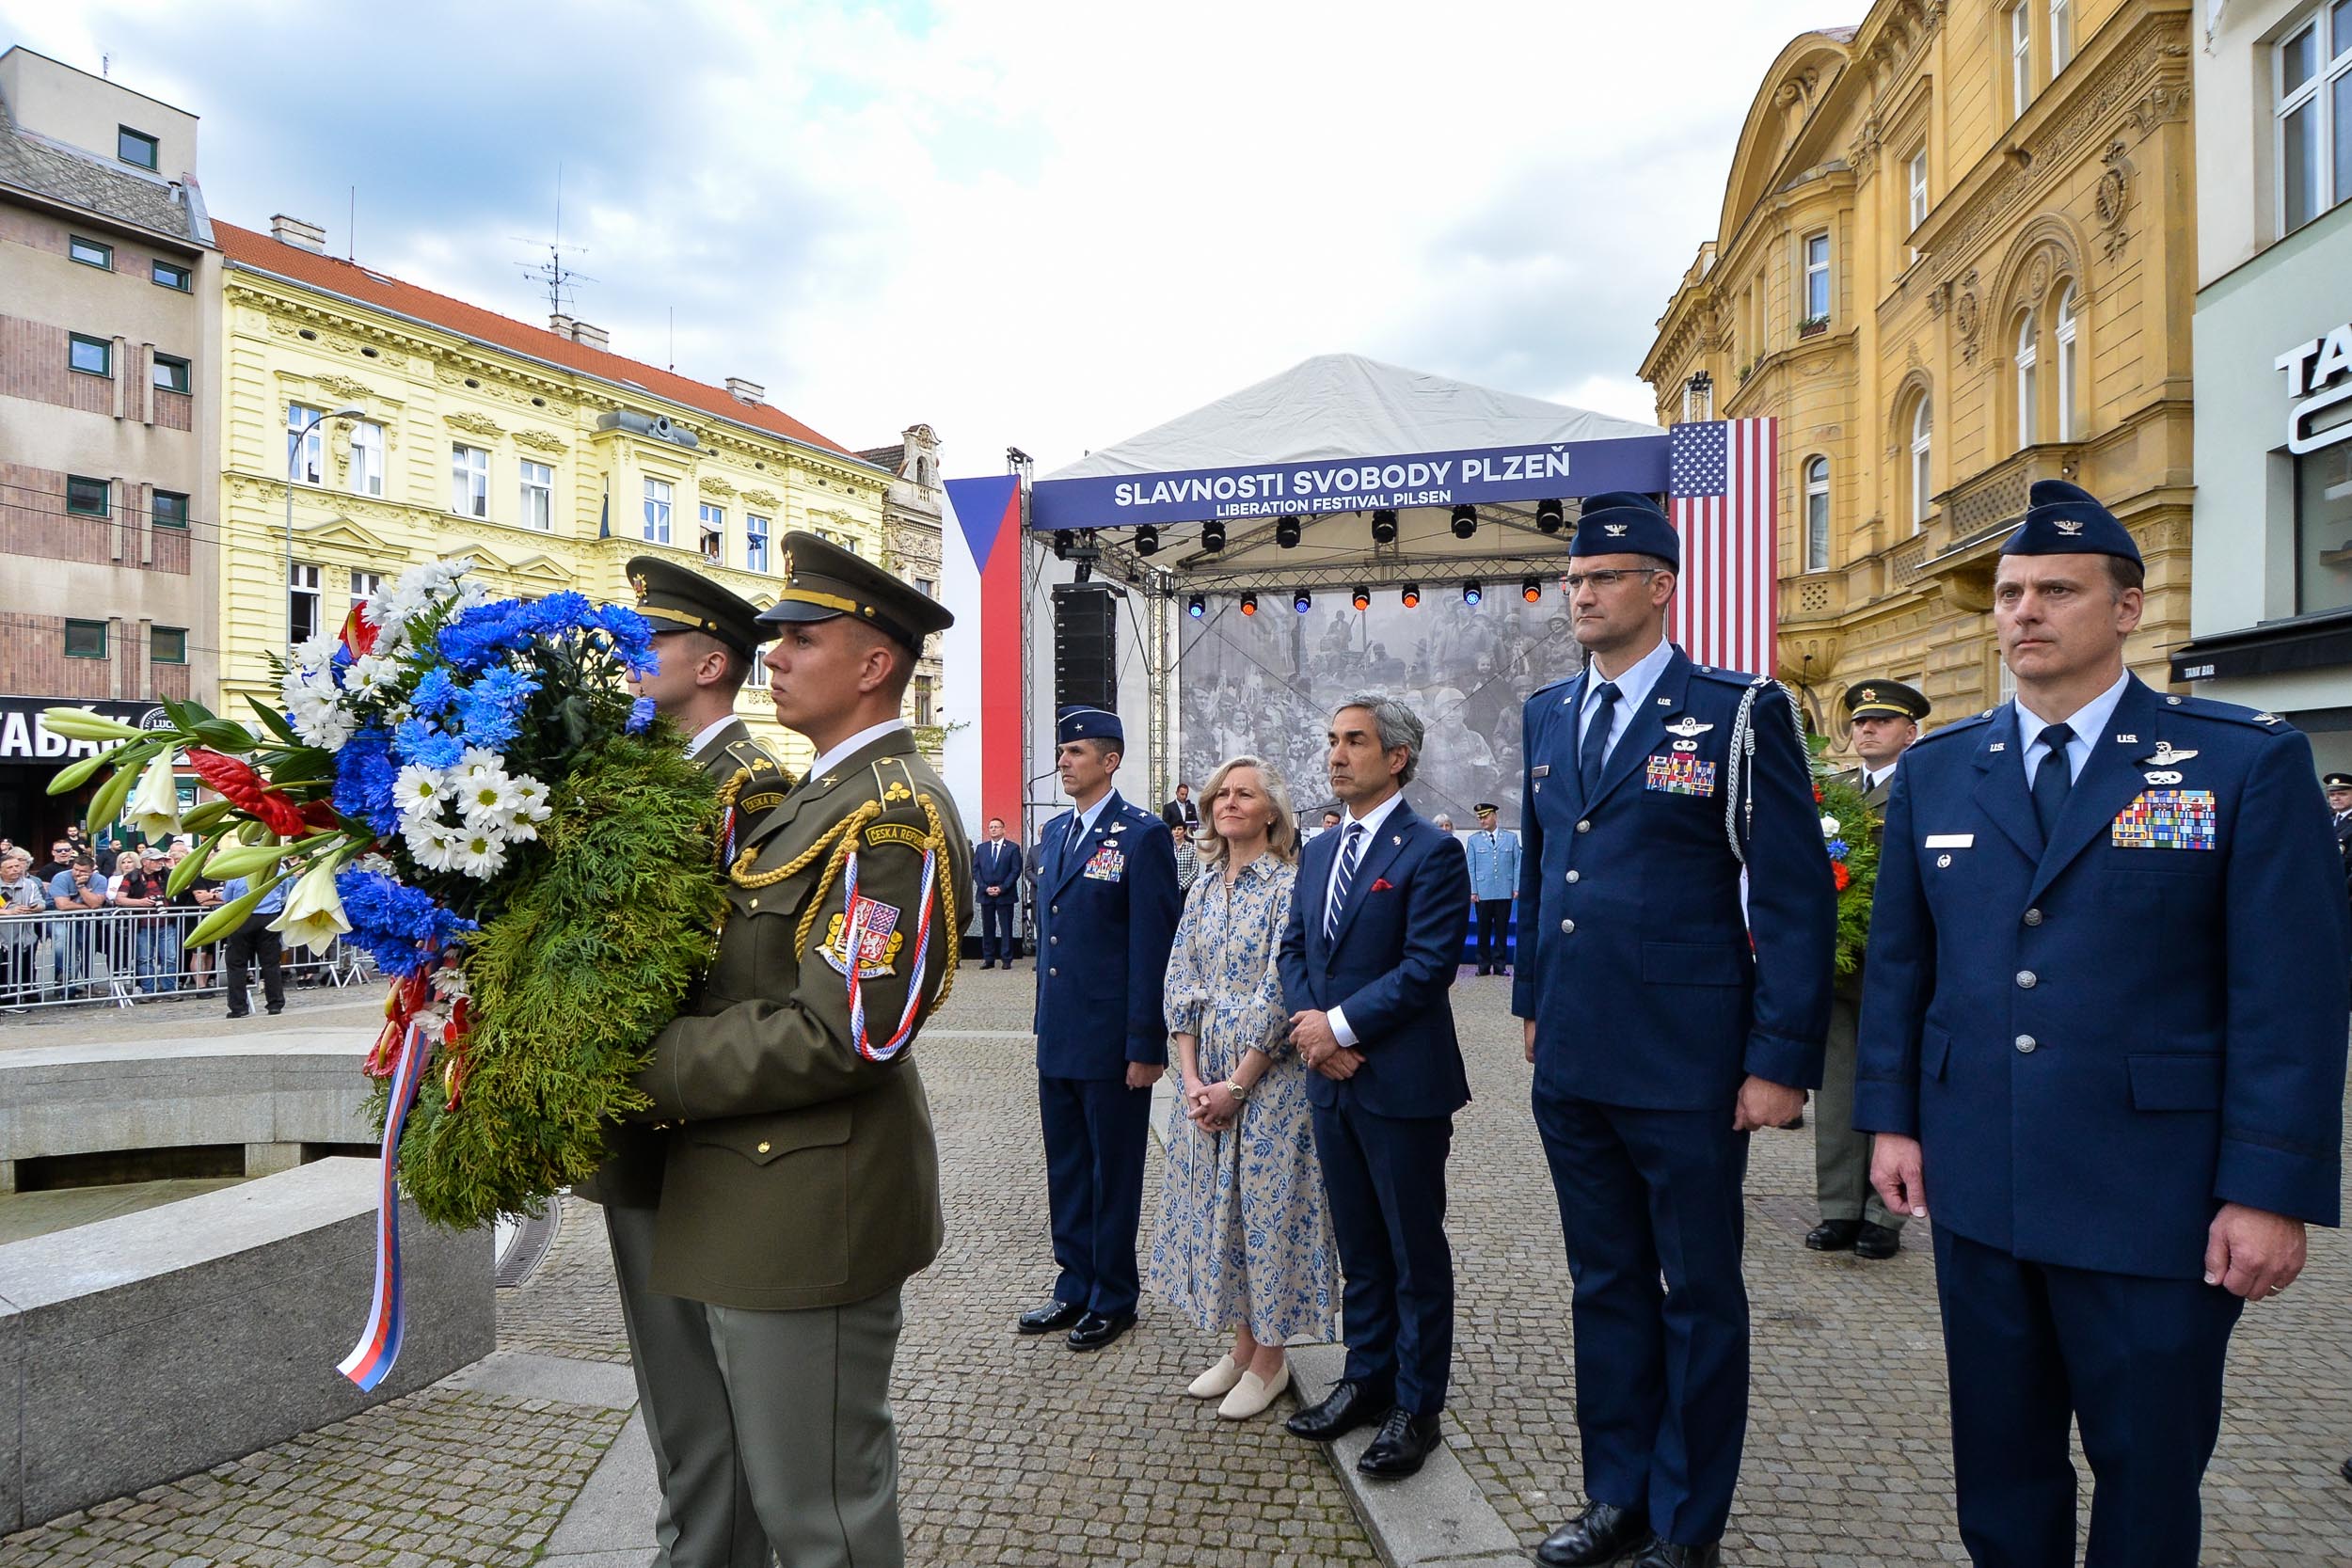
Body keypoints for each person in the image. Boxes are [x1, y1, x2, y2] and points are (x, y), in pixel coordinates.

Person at [1857, 481, 2349, 1568]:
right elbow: (1901, 966)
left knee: (2146, 1465)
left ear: (2126, 609)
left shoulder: (2238, 759)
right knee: (2000, 1463)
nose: (2023, 612)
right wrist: (1890, 1121)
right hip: (1981, 1180)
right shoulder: (1941, 771)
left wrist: (2269, 1188)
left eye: (2057, 591)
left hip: (2153, 1195)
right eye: (2009, 593)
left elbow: (2290, 995)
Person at [625, 531, 965, 1568]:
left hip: (809, 1202)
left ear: (874, 664)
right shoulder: (818, 800)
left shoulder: (893, 816)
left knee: (821, 1515)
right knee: (725, 1475)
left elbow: (845, 1029)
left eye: (800, 638)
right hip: (742, 1186)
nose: (771, 652)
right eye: (771, 637)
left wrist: (629, 1065)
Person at [1517, 492, 1835, 1568]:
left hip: (1687, 1061)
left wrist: (1779, 1059)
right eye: (1571, 579)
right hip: (1572, 1053)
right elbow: (1538, 867)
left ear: (1660, 585)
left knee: (1696, 1292)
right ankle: (1616, 1492)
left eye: (1602, 577)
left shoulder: (1738, 711)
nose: (1580, 594)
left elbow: (1793, 897)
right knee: (1602, 1283)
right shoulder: (1548, 710)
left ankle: (1686, 1520)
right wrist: (1529, 998)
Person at [574, 555, 790, 1568]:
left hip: (693, 1119)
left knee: (701, 1370)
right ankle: (697, 1537)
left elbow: (740, 968)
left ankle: (705, 1548)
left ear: (712, 661)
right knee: (668, 1370)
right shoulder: (645, 775)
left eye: (650, 639)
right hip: (639, 1115)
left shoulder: (748, 787)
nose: (632, 655)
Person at [1279, 695, 1471, 1481]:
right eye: (1331, 740)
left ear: (1397, 757)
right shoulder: (1320, 851)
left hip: (1402, 1083)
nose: (1336, 754)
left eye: (1353, 740)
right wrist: (1311, 1032)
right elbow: (1294, 950)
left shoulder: (1431, 852)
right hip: (1332, 1082)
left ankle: (1415, 1406)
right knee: (1359, 1245)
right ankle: (1366, 1378)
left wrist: (1341, 1029)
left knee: (1411, 1249)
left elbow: (1427, 968)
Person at [1149, 755, 1336, 1420]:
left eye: (1243, 793)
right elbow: (1181, 978)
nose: (1228, 801)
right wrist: (1194, 1078)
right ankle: (1239, 1343)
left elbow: (1281, 989)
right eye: (1220, 793)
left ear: (1270, 811)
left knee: (1269, 1215)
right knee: (1221, 1215)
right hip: (1209, 1080)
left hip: (1271, 1083)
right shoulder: (1201, 886)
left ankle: (1271, 1359)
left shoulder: (1289, 884)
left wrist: (1237, 1081)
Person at [1020, 706, 1182, 1352]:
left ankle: (1114, 1294)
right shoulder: (1057, 833)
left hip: (1114, 1041)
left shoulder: (1140, 836)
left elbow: (1153, 945)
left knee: (1113, 1171)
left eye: (1077, 751)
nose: (1064, 761)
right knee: (1067, 1166)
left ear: (1111, 760)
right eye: (1062, 751)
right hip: (1061, 1034)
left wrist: (1146, 1042)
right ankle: (1074, 1283)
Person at [1807, 679, 1929, 1262]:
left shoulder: (1925, 787)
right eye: (1859, 722)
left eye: (1881, 722)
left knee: (1892, 1086)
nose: (1867, 730)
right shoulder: (1834, 793)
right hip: (1839, 962)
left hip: (1896, 965)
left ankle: (1886, 1215)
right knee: (1834, 1091)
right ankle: (1838, 1209)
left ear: (1911, 732)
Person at [219, 869, 289, 1018]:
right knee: (271, 964)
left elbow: (227, 898)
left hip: (242, 919)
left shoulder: (238, 874)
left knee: (237, 964)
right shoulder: (279, 871)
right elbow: (284, 896)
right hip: (269, 919)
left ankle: (239, 1007)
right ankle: (275, 1004)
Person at [1464, 802, 1520, 975]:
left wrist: (1516, 886)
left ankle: (1500, 965)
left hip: (1504, 889)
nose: (1482, 821)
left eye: (1485, 817)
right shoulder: (1474, 840)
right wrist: (1473, 890)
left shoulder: (1510, 838)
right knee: (1483, 929)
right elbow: (1470, 866)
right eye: (1480, 818)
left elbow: (1517, 864)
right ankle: (1483, 965)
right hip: (1483, 890)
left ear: (1495, 815)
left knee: (1502, 929)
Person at [975, 817, 1024, 969]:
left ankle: (1006, 959)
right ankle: (988, 958)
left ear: (1003, 829)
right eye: (991, 827)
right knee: (988, 927)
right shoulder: (981, 848)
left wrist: (1002, 888)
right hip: (985, 894)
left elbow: (1015, 870)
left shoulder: (1013, 848)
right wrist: (985, 887)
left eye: (996, 827)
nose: (993, 829)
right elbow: (976, 870)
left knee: (1006, 927)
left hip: (1005, 894)